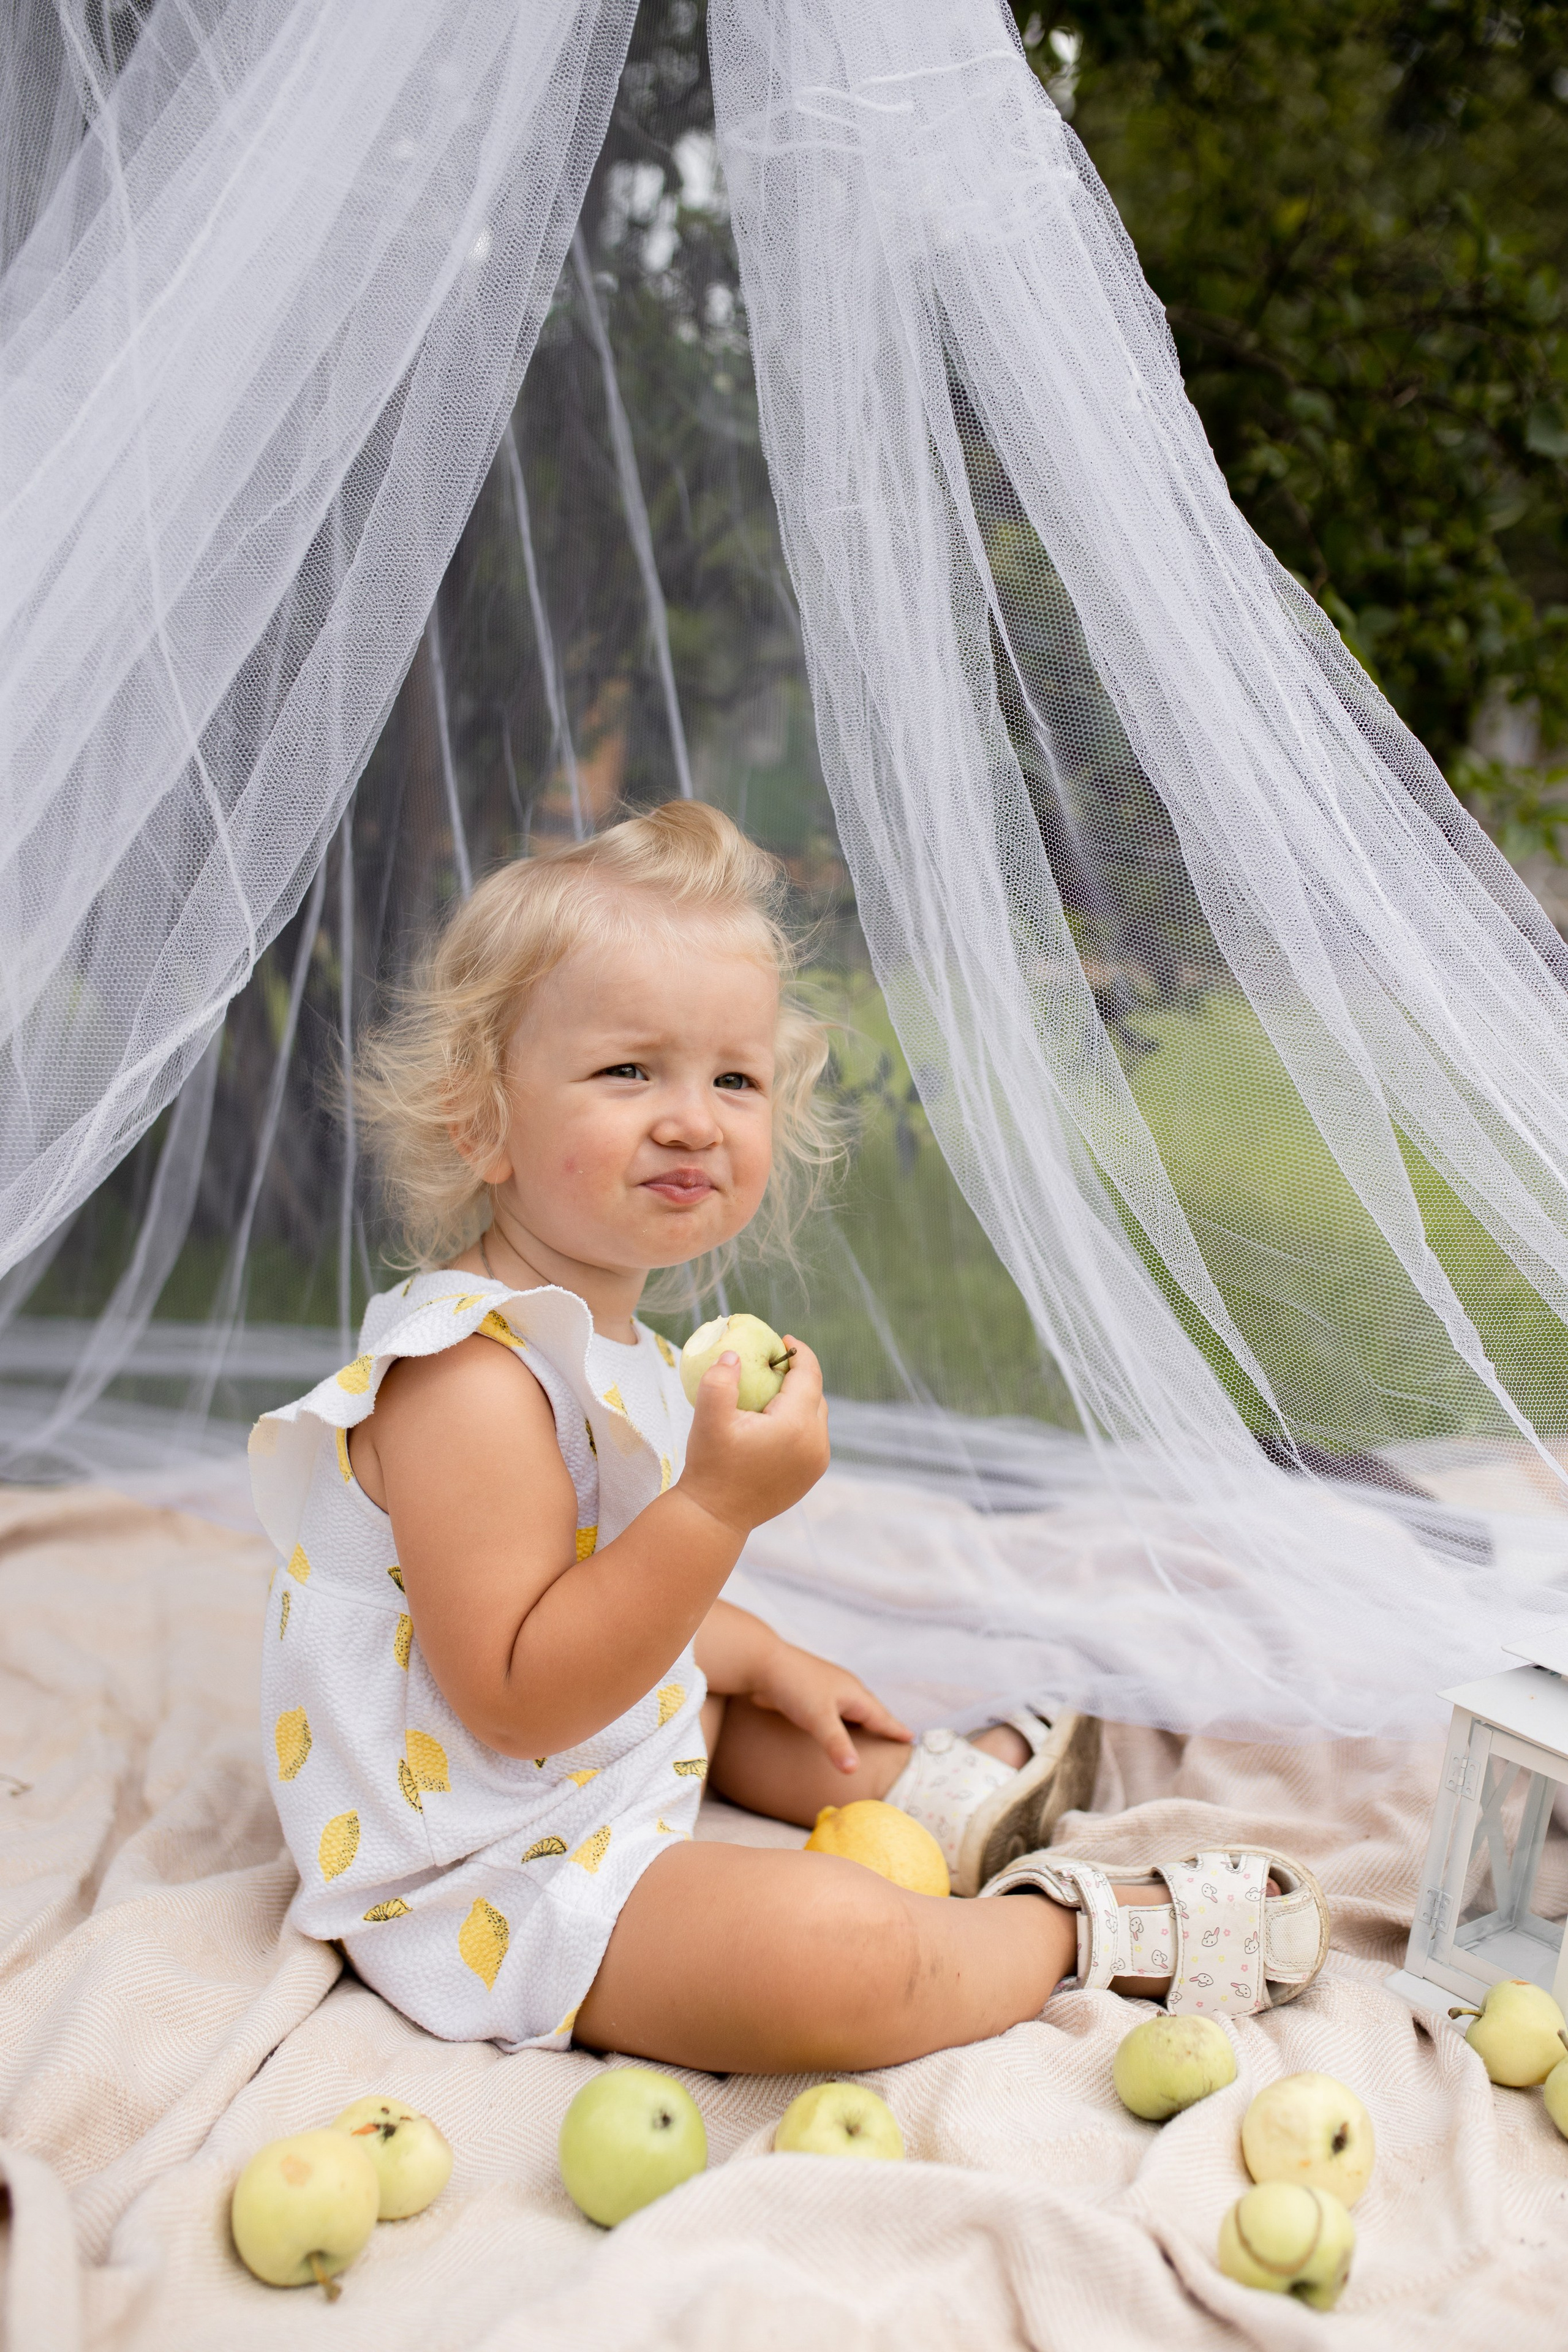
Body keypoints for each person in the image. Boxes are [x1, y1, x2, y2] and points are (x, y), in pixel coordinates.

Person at [251, 804, 1328, 2072]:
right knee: (840, 1956)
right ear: (477, 1121)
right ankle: (1065, 1931)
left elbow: (592, 1579)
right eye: (627, 1071)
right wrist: (714, 1513)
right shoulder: (466, 1387)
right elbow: (519, 1701)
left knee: (749, 1699)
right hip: (484, 1867)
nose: (692, 1119)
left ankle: (933, 1807)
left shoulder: (618, 1348)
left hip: (592, 1759)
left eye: (733, 1079)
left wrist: (755, 1655)